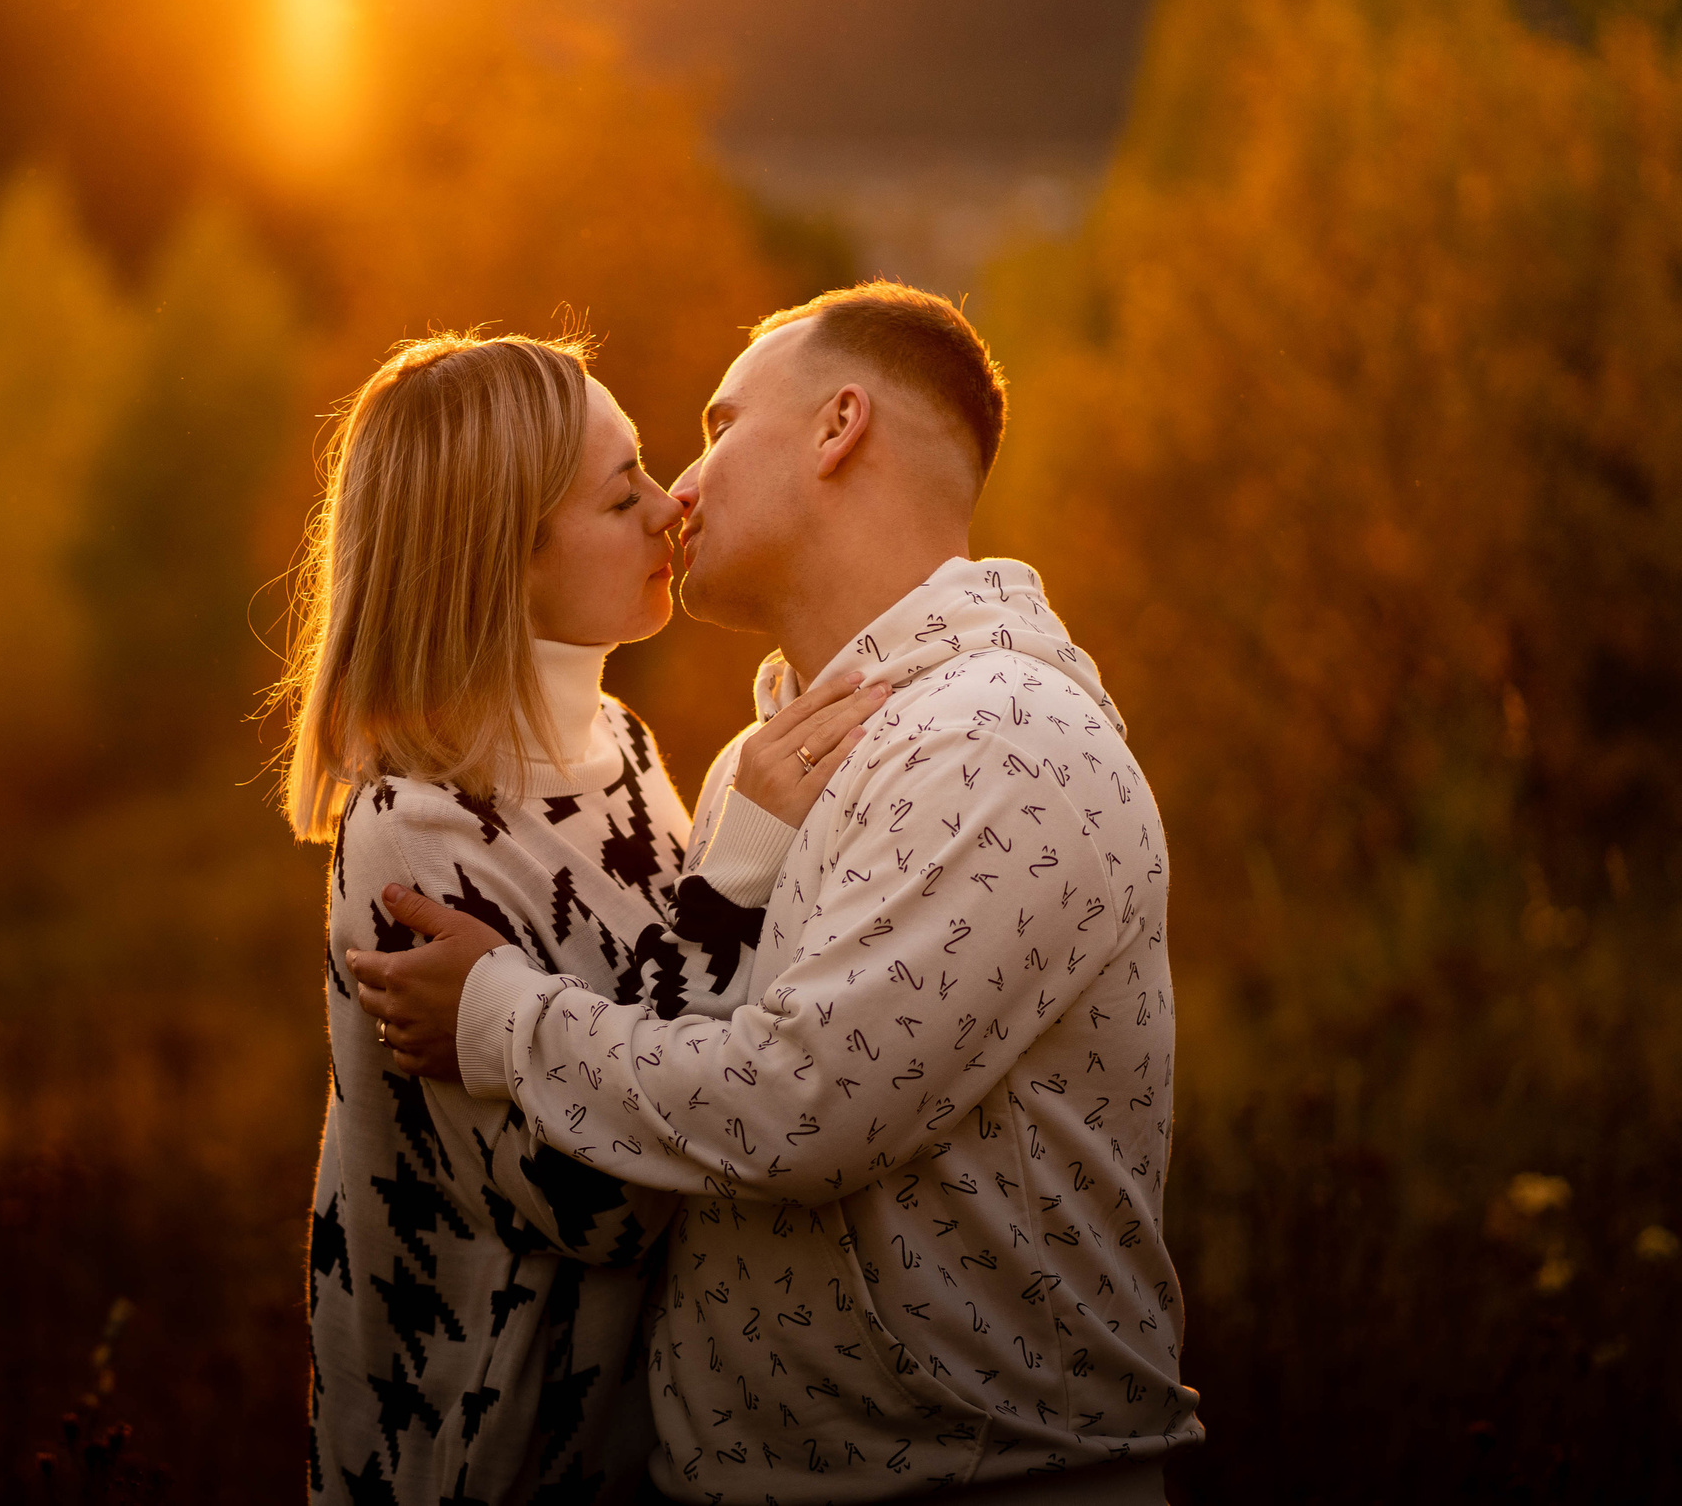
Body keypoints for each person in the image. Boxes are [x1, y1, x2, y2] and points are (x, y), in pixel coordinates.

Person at [353, 285, 1203, 1503]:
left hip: (982, 1484)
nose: (680, 491)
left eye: (716, 425)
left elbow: (798, 1103)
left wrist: (498, 1017)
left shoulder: (1002, 741)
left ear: (836, 426)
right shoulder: (791, 758)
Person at [281, 333, 886, 1505]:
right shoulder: (414, 835)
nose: (674, 508)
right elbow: (592, 1204)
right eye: (623, 496)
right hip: (487, 1469)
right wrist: (736, 865)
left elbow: (679, 1037)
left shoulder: (618, 744)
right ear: (501, 559)